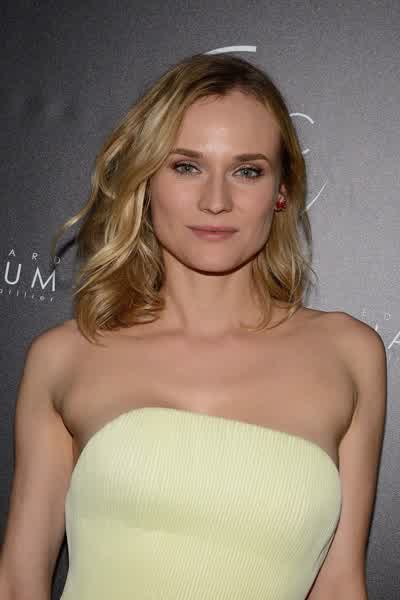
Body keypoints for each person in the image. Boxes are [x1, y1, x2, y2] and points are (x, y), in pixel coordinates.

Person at [0, 53, 386, 600]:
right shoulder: (66, 355)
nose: (216, 201)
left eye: (247, 171)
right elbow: (18, 583)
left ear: (281, 190)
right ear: (146, 180)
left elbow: (341, 584)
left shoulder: (349, 354)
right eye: (186, 167)